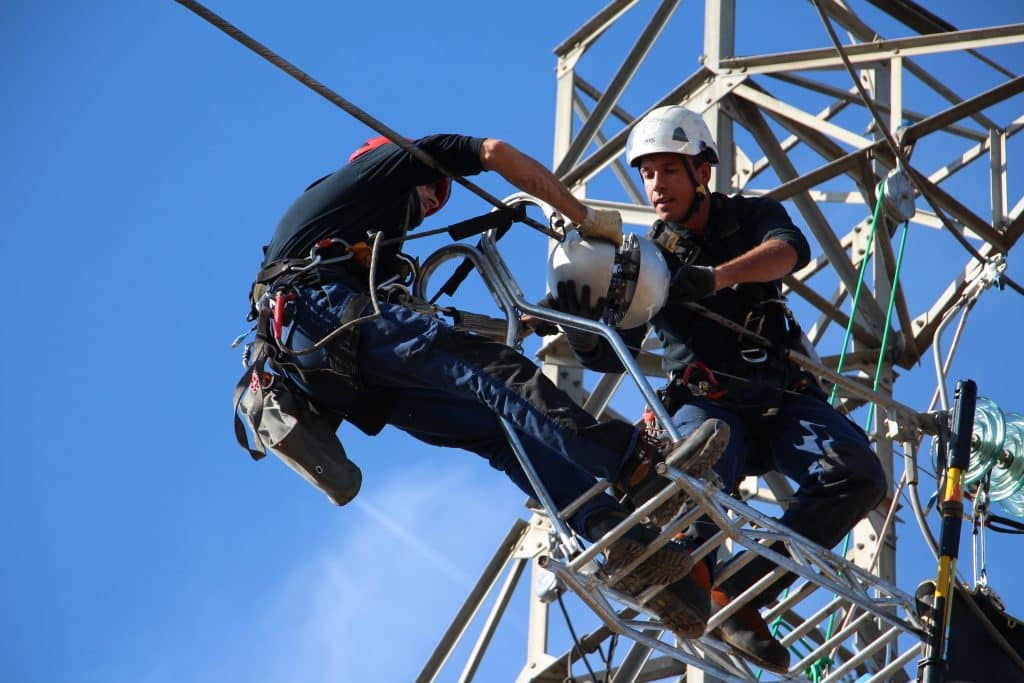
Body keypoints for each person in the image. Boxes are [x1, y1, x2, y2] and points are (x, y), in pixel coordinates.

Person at [242, 132, 729, 625]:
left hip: (337, 364)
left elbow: (422, 334)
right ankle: (633, 462)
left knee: (500, 428)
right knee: (494, 372)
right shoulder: (374, 172)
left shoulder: (364, 245)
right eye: (434, 185)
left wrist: (553, 315)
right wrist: (584, 219)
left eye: (442, 196)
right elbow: (493, 152)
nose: (434, 201)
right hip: (322, 318)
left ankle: (616, 536)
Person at [549, 106, 889, 673]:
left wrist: (716, 278)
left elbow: (790, 252)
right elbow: (616, 353)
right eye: (648, 174)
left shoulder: (751, 218)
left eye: (668, 171)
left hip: (781, 397)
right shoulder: (647, 262)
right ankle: (693, 577)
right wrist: (581, 327)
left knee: (859, 476)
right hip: (706, 406)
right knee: (691, 470)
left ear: (701, 172)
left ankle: (741, 593)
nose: (656, 186)